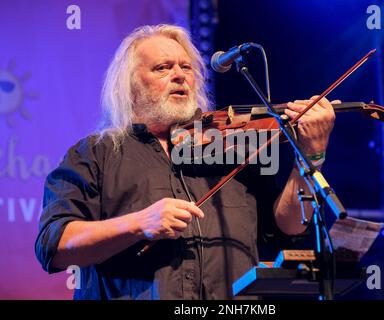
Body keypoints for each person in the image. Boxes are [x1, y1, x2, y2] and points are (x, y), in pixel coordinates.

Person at [35, 24, 336, 299]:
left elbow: (289, 227)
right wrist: (139, 223)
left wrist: (310, 157)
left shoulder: (236, 148)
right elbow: (53, 245)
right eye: (162, 68)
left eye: (186, 67)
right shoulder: (94, 153)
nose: (180, 75)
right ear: (131, 87)